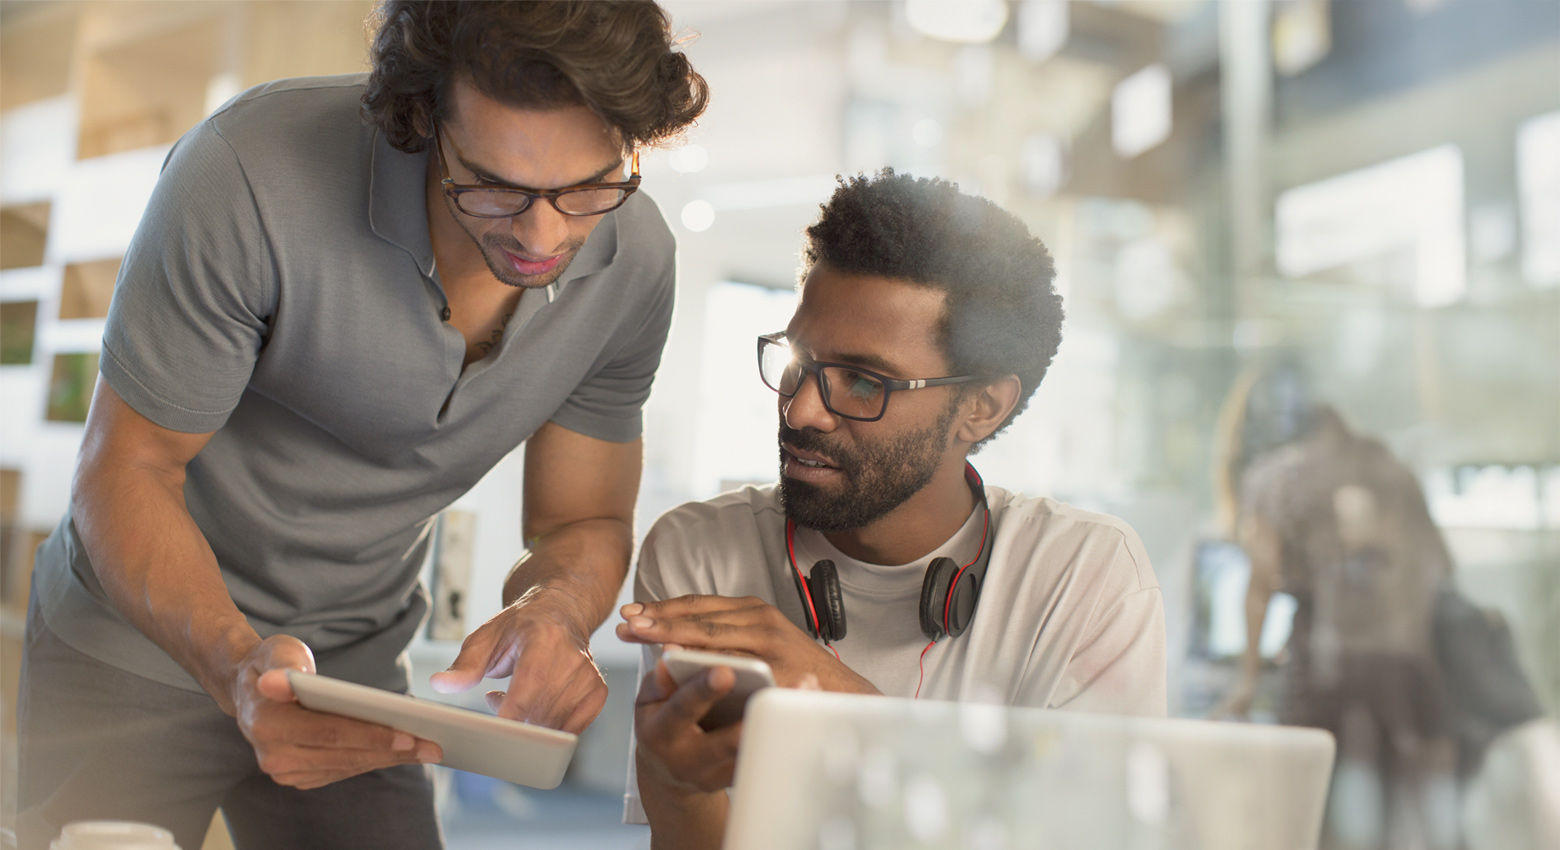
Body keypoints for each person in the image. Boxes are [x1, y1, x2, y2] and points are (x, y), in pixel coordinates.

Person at [16, 2, 706, 848]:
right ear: (423, 120)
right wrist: (236, 666)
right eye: (494, 184)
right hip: (136, 635)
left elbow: (582, 520)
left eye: (589, 187)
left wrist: (555, 609)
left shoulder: (635, 263)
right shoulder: (247, 172)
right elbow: (128, 469)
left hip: (354, 659)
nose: (543, 233)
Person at [614, 171, 1168, 848]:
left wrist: (834, 697)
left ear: (980, 406)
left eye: (863, 380)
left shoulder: (1082, 575)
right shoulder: (700, 551)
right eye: (798, 360)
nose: (802, 408)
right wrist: (674, 784)